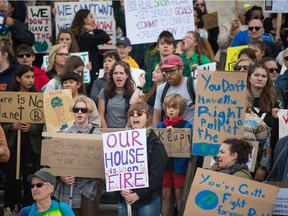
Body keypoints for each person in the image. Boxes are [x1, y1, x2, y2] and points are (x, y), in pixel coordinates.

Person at [2, 65, 43, 213]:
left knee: (30, 179)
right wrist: (11, 126)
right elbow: (2, 122)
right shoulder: (8, 97)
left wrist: (32, 127)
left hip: (30, 146)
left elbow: (43, 122)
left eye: (32, 77)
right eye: (27, 77)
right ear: (18, 78)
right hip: (12, 144)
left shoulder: (38, 97)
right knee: (12, 179)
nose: (31, 80)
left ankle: (29, 209)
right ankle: (11, 208)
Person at [116, 101, 168, 216]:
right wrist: (120, 190)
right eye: (131, 114)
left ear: (147, 118)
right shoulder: (119, 142)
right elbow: (114, 169)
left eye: (139, 114)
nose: (135, 116)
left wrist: (138, 194)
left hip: (147, 200)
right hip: (125, 198)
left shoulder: (155, 143)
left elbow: (157, 175)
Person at [54, 95, 102, 215]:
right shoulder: (63, 135)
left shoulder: (98, 136)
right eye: (76, 110)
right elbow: (54, 161)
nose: (79, 113)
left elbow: (103, 165)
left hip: (89, 189)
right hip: (67, 189)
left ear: (89, 113)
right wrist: (61, 175)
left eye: (83, 110)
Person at [156, 94, 192, 216]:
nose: (171, 110)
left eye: (174, 107)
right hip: (165, 166)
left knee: (179, 194)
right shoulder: (160, 126)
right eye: (169, 107)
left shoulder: (187, 125)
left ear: (180, 109)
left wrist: (175, 133)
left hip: (180, 167)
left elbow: (189, 145)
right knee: (165, 195)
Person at [153, 55, 196, 127]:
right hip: (169, 134)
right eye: (165, 72)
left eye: (172, 71)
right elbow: (156, 116)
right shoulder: (161, 89)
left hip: (191, 134)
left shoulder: (194, 85)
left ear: (181, 69)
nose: (168, 75)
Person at [70, 9, 110, 87]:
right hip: (88, 71)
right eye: (91, 17)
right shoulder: (85, 36)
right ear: (84, 20)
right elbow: (105, 37)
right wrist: (94, 30)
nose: (93, 20)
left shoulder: (75, 34)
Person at [98, 61, 134, 128]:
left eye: (121, 73)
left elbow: (133, 116)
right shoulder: (104, 92)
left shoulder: (132, 94)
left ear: (127, 75)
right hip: (108, 132)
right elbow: (101, 115)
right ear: (112, 75)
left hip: (125, 132)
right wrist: (106, 132)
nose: (118, 76)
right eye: (115, 73)